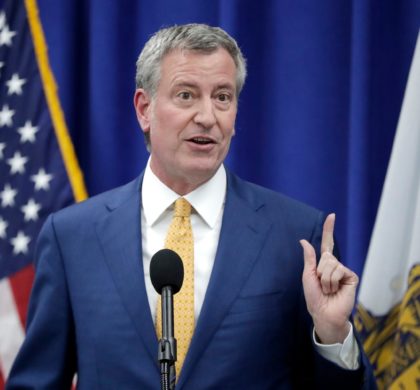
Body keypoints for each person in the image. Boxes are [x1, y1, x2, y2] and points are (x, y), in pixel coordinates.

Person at [7, 24, 376, 389]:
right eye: (186, 95)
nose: (207, 116)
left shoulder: (296, 238)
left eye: (222, 97)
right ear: (144, 109)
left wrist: (332, 335)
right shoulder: (72, 237)